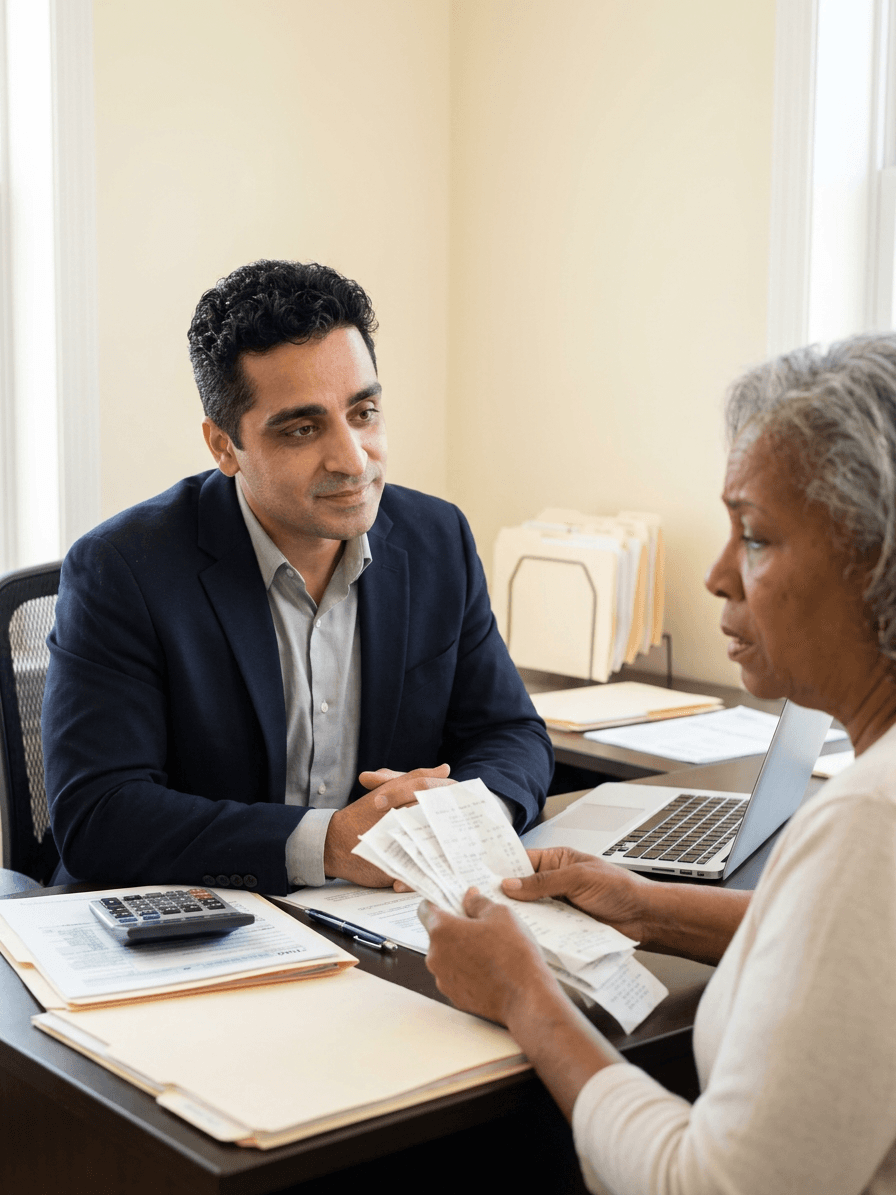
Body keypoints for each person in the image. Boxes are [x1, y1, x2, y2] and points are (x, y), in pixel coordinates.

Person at [421, 332, 896, 1195]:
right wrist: (645, 907)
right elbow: (848, 959)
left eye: (753, 536)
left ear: (878, 563)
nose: (717, 575)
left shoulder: (873, 820)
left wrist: (526, 996)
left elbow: (709, 1187)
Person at [42, 260, 552, 894]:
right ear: (224, 446)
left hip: (374, 918)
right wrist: (328, 843)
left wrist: (464, 819)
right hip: (189, 926)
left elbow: (509, 733)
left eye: (363, 412)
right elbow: (99, 815)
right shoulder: (121, 569)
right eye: (303, 429)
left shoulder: (436, 539)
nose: (352, 458)